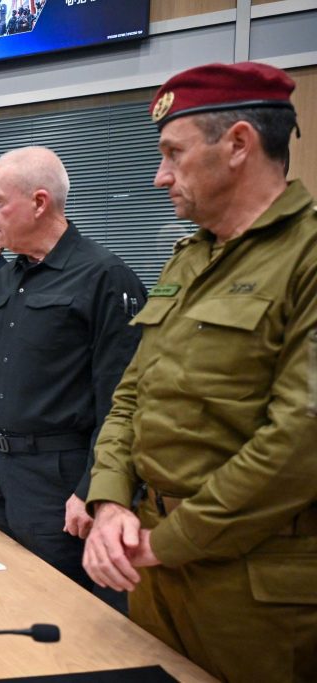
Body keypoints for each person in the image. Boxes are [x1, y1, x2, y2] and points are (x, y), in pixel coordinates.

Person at [83, 62, 317, 682]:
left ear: (238, 144)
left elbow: (301, 440)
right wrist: (111, 501)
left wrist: (169, 540)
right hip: (152, 560)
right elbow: (131, 395)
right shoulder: (188, 259)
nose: (160, 176)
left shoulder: (307, 257)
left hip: (253, 586)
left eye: (173, 154)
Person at [0, 146, 146, 589]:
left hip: (59, 480)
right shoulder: (5, 280)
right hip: (0, 473)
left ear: (39, 202)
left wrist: (94, 489)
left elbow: (123, 398)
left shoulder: (103, 276)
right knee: (4, 594)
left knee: (57, 603)